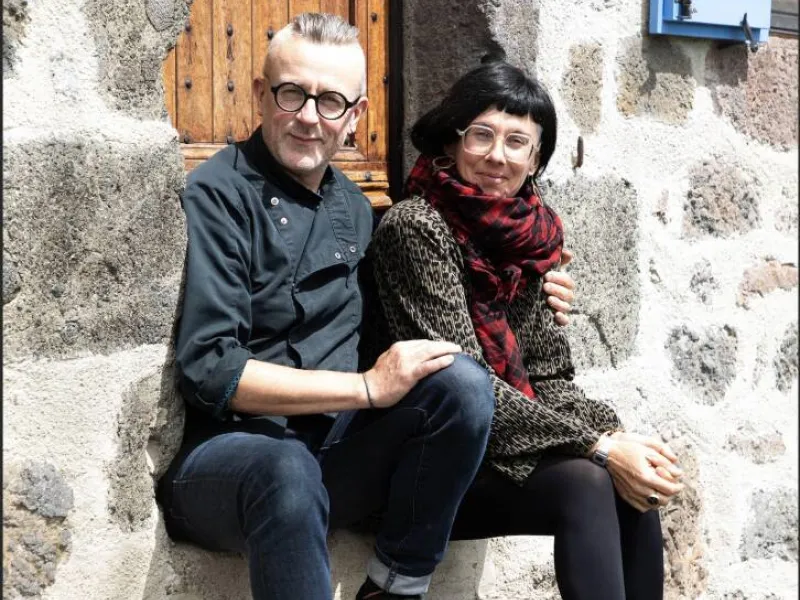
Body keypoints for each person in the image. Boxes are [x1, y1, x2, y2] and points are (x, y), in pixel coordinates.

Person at [156, 14, 576, 600]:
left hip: (334, 453)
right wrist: (366, 389)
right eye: (291, 93)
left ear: (356, 115)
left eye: (330, 101)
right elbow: (211, 370)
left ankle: (395, 586)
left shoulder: (354, 208)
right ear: (260, 95)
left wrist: (530, 286)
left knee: (460, 382)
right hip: (228, 465)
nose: (309, 117)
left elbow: (431, 291)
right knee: (285, 468)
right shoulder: (219, 193)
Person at [367, 58, 685, 600]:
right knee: (590, 480)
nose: (497, 155)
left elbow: (550, 375)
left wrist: (618, 439)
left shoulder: (529, 236)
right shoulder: (416, 228)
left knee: (632, 482)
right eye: (482, 135)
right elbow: (466, 387)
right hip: (429, 461)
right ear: (453, 141)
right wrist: (599, 448)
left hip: (506, 451)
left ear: (535, 159)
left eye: (517, 142)